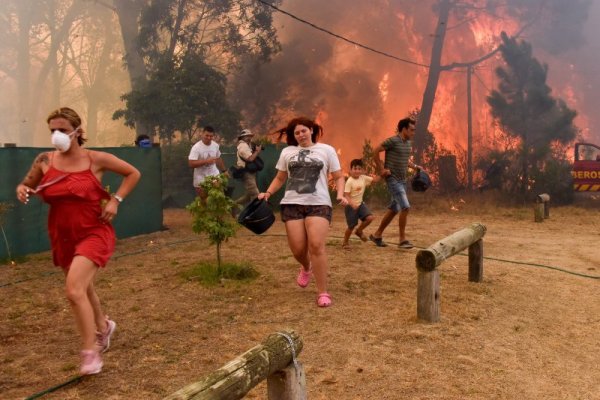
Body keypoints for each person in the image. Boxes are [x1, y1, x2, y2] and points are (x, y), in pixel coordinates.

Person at [15, 107, 141, 375]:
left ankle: (90, 352)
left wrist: (116, 201)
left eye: (62, 129)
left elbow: (133, 173)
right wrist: (23, 189)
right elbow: (26, 184)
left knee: (73, 291)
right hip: (62, 235)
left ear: (77, 131)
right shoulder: (44, 160)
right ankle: (104, 327)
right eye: (52, 130)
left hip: (94, 231)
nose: (57, 135)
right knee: (84, 288)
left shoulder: (96, 159)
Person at [257, 117, 348, 308]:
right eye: (297, 133)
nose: (301, 135)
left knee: (316, 245)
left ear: (312, 130)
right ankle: (306, 267)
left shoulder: (327, 150)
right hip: (292, 203)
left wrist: (340, 194)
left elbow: (338, 176)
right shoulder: (288, 152)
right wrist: (268, 192)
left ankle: (323, 292)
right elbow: (280, 177)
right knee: (298, 249)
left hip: (319, 203)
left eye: (304, 131)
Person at [369, 117, 423, 249]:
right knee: (405, 207)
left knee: (394, 209)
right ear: (404, 129)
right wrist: (381, 169)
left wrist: (415, 166)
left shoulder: (408, 143)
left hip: (403, 180)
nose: (413, 132)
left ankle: (377, 235)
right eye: (411, 130)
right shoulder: (392, 141)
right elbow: (375, 151)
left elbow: (405, 160)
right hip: (393, 179)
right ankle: (402, 240)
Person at [342, 158, 379, 249]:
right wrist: (352, 204)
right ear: (350, 170)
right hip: (351, 206)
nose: (357, 171)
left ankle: (359, 231)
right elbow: (346, 195)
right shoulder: (349, 181)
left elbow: (375, 180)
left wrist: (381, 171)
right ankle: (345, 243)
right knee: (351, 226)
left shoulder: (363, 178)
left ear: (362, 170)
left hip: (360, 204)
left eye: (359, 169)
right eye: (355, 169)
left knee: (370, 218)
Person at [188, 126, 226, 199]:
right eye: (207, 135)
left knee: (219, 196)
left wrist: (224, 171)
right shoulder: (196, 147)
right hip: (200, 178)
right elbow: (191, 164)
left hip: (214, 175)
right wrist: (206, 161)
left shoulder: (215, 145)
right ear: (202, 134)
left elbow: (218, 158)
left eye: (211, 136)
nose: (209, 138)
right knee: (204, 201)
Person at [235, 129, 262, 206]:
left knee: (248, 195)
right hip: (246, 172)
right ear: (242, 137)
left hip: (250, 172)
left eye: (250, 136)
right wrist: (257, 151)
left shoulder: (247, 145)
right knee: (255, 194)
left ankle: (233, 205)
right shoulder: (242, 146)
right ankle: (254, 213)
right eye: (247, 136)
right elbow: (250, 159)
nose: (249, 138)